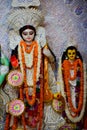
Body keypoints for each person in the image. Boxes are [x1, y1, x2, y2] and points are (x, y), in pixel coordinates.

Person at [57, 45, 86, 129]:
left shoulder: (79, 64)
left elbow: (82, 77)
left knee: (77, 103)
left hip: (77, 89)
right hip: (67, 88)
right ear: (67, 54)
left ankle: (78, 124)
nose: (72, 55)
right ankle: (68, 124)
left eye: (73, 53)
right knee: (68, 104)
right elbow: (60, 78)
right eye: (70, 53)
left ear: (76, 53)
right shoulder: (63, 64)